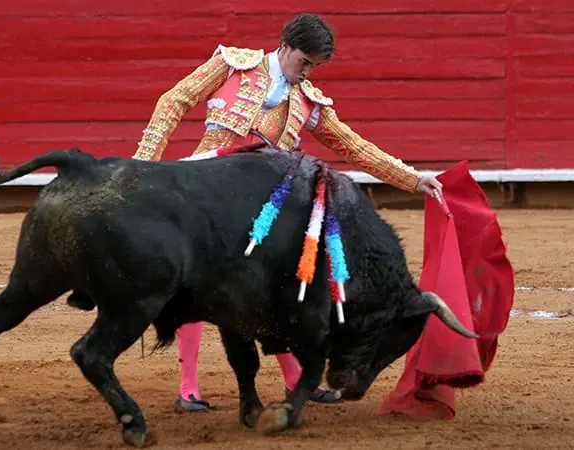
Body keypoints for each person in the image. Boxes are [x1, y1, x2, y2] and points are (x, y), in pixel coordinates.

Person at [132, 13, 444, 412]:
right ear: (285, 47)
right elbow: (173, 101)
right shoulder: (231, 65)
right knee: (194, 281)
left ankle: (297, 380)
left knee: (277, 285)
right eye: (304, 62)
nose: (307, 72)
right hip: (205, 189)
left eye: (315, 65)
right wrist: (143, 166)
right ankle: (189, 387)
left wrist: (412, 179)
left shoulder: (308, 101)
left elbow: (353, 146)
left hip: (259, 205)